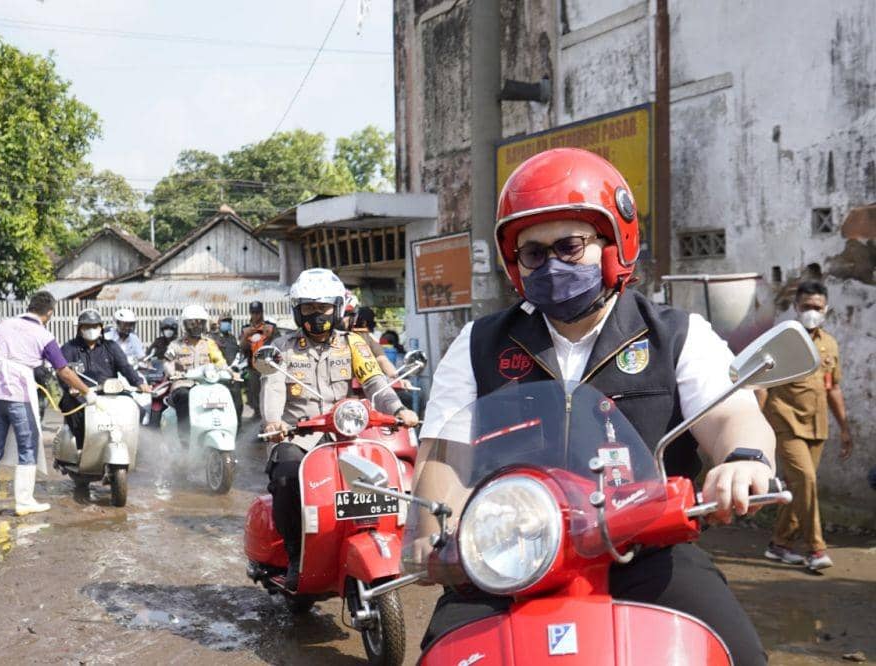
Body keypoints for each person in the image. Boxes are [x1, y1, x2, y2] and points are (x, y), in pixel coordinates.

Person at [416, 148, 776, 664]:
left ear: (613, 244)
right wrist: (435, 536)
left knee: (737, 654)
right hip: (509, 558)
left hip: (646, 550)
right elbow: (442, 455)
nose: (551, 264)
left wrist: (744, 460)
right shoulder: (478, 344)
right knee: (441, 656)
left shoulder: (675, 335)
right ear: (515, 265)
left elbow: (730, 414)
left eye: (569, 246)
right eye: (533, 253)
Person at [261, 268, 419, 590]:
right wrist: (274, 422)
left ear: (336, 308)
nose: (317, 315)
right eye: (309, 308)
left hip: (346, 433)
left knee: (381, 477)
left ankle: (377, 540)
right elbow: (274, 386)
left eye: (323, 308)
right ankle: (295, 554)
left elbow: (376, 382)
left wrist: (399, 409)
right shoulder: (283, 348)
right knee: (287, 476)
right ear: (297, 310)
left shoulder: (354, 344)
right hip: (298, 437)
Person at [760, 281, 852, 571]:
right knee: (806, 481)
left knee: (801, 486)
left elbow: (832, 387)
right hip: (784, 419)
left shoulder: (829, 343)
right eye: (807, 307)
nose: (812, 312)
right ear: (796, 308)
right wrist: (758, 427)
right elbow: (762, 385)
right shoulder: (782, 341)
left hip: (817, 424)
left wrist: (845, 428)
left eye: (817, 307)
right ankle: (815, 549)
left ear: (826, 309)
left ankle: (779, 545)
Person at [0, 291, 95, 517]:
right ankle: (23, 502)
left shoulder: (3, 326)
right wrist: (87, 392)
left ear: (29, 306)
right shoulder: (44, 335)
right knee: (28, 445)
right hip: (18, 393)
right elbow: (64, 371)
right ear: (49, 312)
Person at [59, 309, 150, 448]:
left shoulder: (111, 347)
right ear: (79, 329)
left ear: (101, 327)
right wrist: (70, 387)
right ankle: (81, 447)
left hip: (110, 392)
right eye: (87, 326)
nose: (91, 329)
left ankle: (132, 446)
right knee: (74, 410)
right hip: (80, 394)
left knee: (136, 410)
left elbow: (125, 367)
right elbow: (62, 372)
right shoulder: (69, 348)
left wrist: (139, 383)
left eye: (95, 326)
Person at [163, 305, 226, 447]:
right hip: (183, 383)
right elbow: (167, 362)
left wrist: (228, 371)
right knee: (184, 396)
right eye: (192, 323)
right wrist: (173, 372)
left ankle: (220, 431)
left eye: (200, 322)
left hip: (206, 384)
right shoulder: (176, 345)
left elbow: (219, 361)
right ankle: (185, 440)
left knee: (224, 394)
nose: (196, 326)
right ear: (185, 325)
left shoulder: (209, 344)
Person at [240, 301, 277, 419]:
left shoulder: (270, 327)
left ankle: (269, 414)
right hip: (253, 366)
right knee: (254, 391)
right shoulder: (246, 329)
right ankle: (257, 413)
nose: (255, 315)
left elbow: (279, 344)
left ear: (262, 313)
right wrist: (246, 336)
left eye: (258, 313)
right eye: (253, 313)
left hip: (267, 366)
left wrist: (271, 335)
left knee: (269, 391)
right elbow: (242, 347)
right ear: (250, 313)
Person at [210, 311, 244, 429]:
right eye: (225, 321)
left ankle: (237, 427)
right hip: (217, 376)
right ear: (219, 323)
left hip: (233, 375)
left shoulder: (233, 338)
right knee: (218, 403)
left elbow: (238, 354)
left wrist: (236, 366)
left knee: (237, 404)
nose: (227, 324)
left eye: (229, 321)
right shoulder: (212, 338)